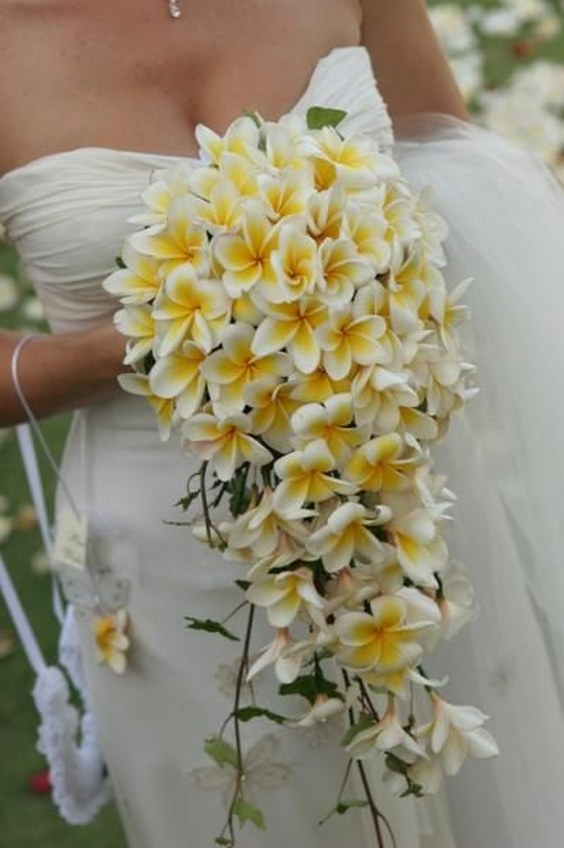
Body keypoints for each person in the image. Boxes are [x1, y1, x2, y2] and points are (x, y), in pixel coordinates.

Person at [1, 1, 563, 846]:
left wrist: (367, 266)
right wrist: (159, 335)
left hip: (398, 507)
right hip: (162, 554)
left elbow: (458, 179)